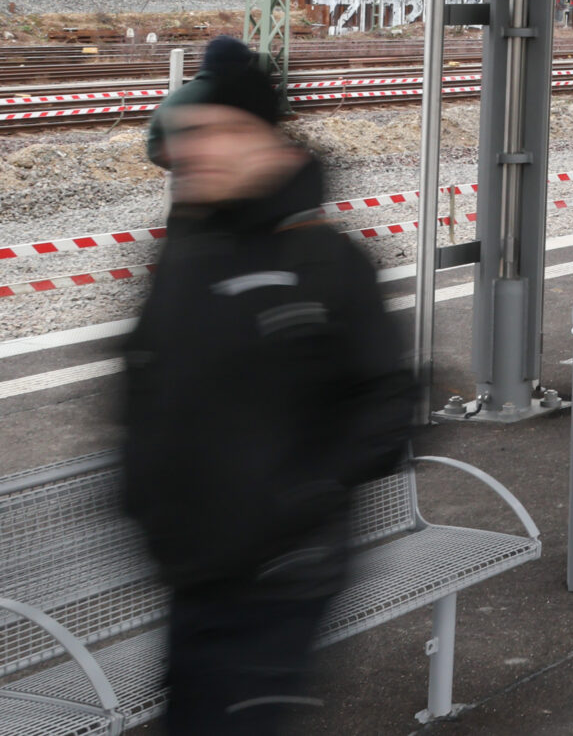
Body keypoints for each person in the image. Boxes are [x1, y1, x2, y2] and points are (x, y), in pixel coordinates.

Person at [123, 36, 412, 736]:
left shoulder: (326, 261)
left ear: (268, 142)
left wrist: (296, 500)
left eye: (221, 131)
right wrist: (137, 501)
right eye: (190, 133)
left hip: (280, 578)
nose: (197, 150)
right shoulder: (186, 250)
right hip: (193, 573)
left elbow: (391, 405)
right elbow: (147, 385)